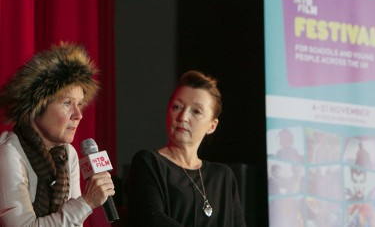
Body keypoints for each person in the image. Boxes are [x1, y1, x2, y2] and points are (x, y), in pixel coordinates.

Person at [0, 42, 115, 226]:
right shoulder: (8, 153)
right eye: (67, 103)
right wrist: (86, 203)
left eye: (80, 103)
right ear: (37, 107)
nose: (79, 115)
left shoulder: (68, 154)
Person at [125, 70, 246, 226]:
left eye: (196, 111)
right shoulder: (149, 163)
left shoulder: (223, 176)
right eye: (177, 107)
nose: (183, 117)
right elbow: (151, 219)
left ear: (212, 125)